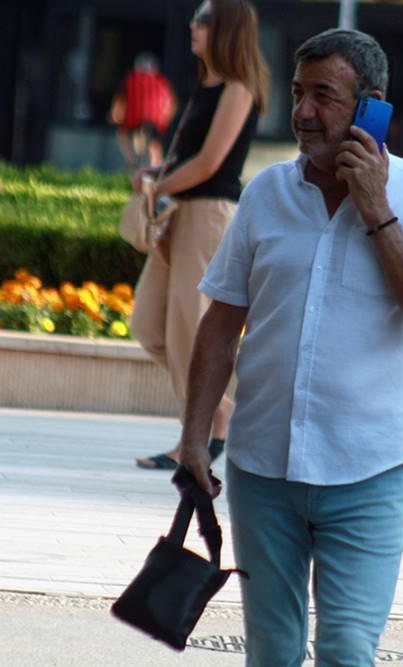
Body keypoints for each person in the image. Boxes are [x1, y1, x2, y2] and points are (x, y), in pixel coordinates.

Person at [175, 29, 403, 665]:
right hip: (263, 469)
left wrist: (377, 210)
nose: (304, 112)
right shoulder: (266, 193)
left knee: (346, 650)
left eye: (324, 96)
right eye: (298, 93)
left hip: (368, 471)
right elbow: (221, 324)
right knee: (272, 653)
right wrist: (194, 436)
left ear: (371, 108)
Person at [131, 0, 268, 471]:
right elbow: (188, 157)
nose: (194, 25)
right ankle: (221, 410)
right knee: (149, 325)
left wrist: (159, 186)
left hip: (208, 215)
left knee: (189, 330)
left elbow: (210, 164)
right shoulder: (204, 87)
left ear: (227, 30)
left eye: (205, 19)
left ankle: (196, 434)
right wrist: (156, 174)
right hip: (180, 214)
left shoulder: (238, 89)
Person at [109, 53, 177, 169]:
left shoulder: (131, 79)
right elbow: (171, 103)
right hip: (156, 120)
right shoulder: (162, 82)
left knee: (122, 134)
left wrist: (115, 116)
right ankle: (156, 168)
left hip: (134, 118)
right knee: (154, 144)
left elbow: (120, 100)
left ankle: (131, 161)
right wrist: (167, 119)